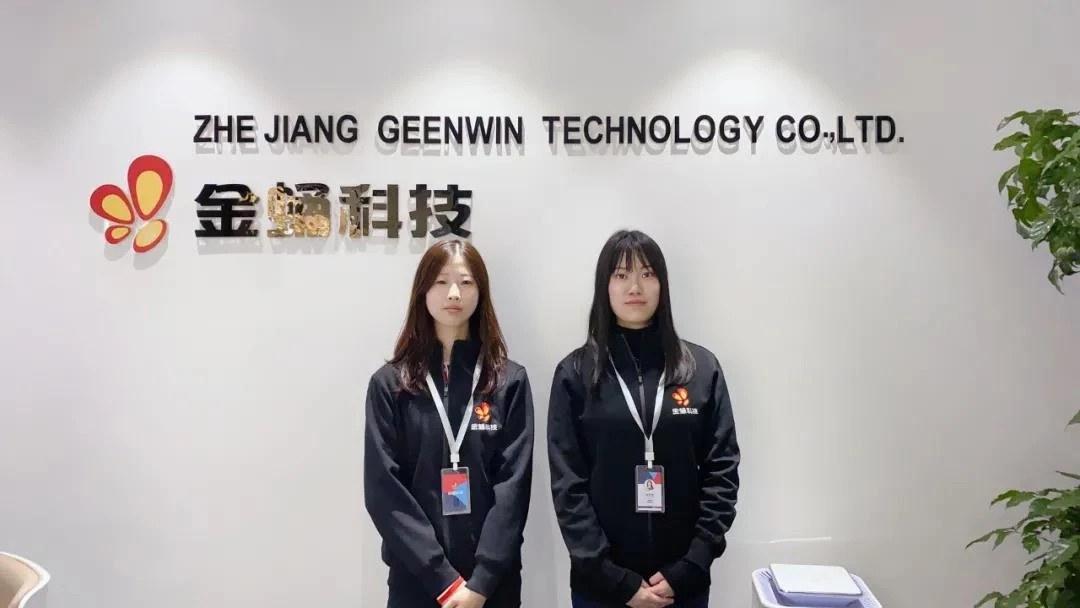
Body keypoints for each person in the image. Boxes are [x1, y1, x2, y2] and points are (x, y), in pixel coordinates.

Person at [548, 229, 741, 608]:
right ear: (604, 286)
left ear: (662, 284)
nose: (634, 286)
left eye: (647, 274)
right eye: (621, 275)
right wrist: (612, 578)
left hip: (682, 585)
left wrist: (693, 563)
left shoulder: (701, 369)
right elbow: (568, 486)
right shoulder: (575, 373)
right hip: (600, 588)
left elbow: (722, 470)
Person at [364, 239, 535, 608]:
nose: (454, 293)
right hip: (417, 585)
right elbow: (384, 491)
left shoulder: (509, 382)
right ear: (422, 291)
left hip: (492, 589)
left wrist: (482, 582)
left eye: (466, 282)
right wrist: (441, 580)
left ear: (481, 292)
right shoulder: (390, 385)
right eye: (441, 282)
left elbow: (513, 489)